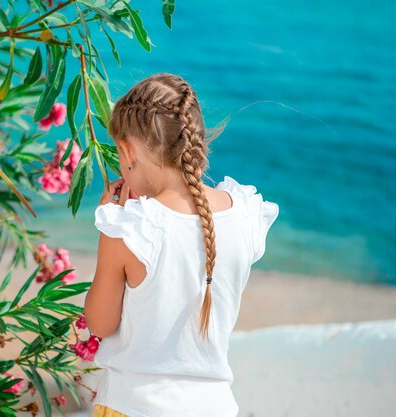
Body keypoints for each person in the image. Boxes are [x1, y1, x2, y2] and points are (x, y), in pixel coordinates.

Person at [84, 73, 280, 417]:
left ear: (129, 150)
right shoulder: (244, 213)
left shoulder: (129, 228)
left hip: (134, 405)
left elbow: (100, 323)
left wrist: (109, 225)